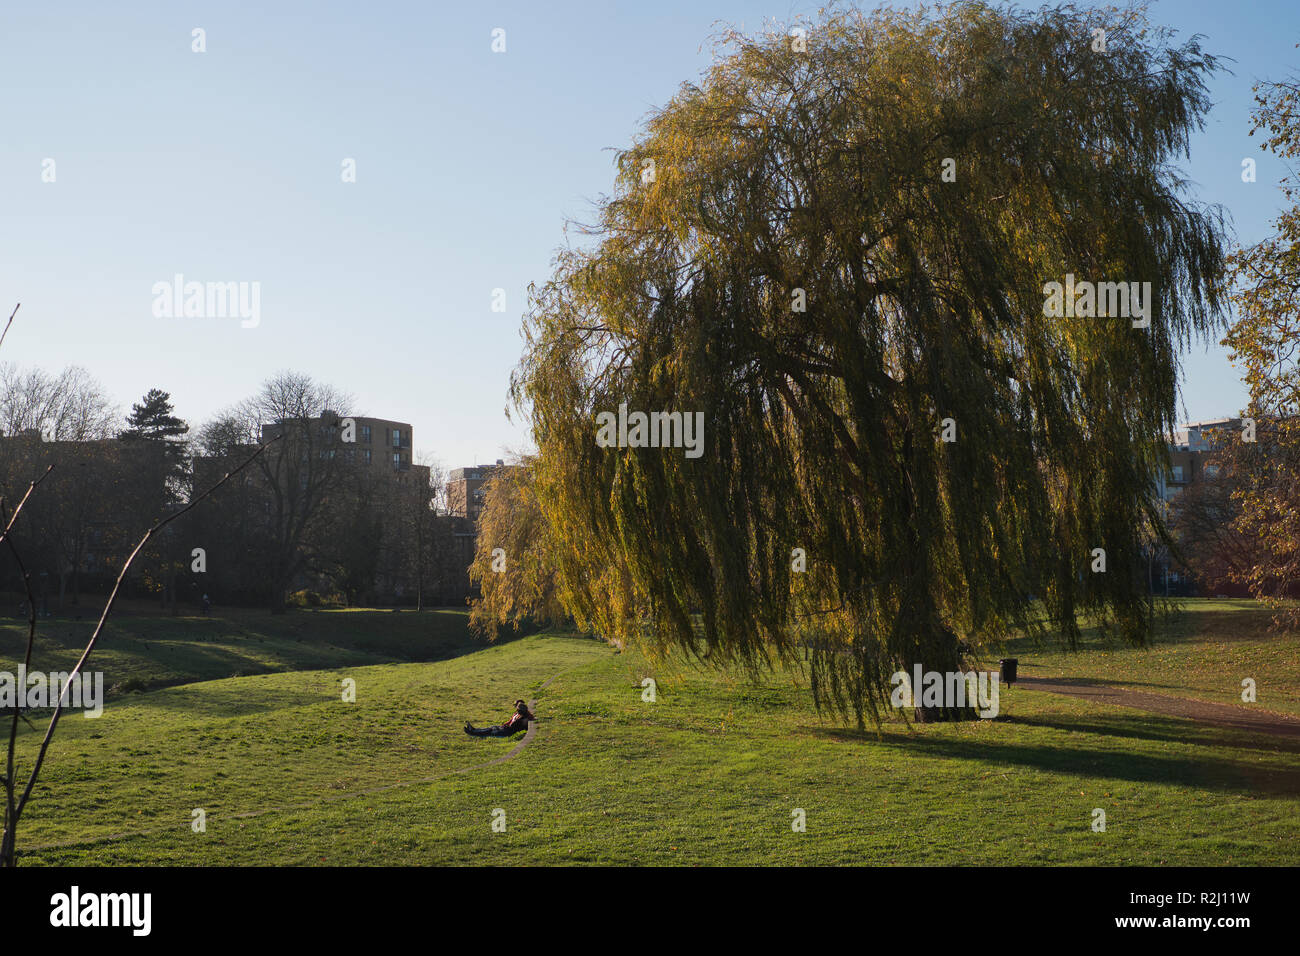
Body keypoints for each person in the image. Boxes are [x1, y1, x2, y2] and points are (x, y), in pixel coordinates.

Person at [464, 700, 534, 737]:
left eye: (518, 709)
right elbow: (510, 721)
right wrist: (504, 725)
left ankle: (472, 733)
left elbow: (516, 726)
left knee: (491, 732)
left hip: (507, 732)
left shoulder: (523, 719)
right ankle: (474, 729)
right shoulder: (517, 714)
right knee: (492, 727)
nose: (516, 710)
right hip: (505, 728)